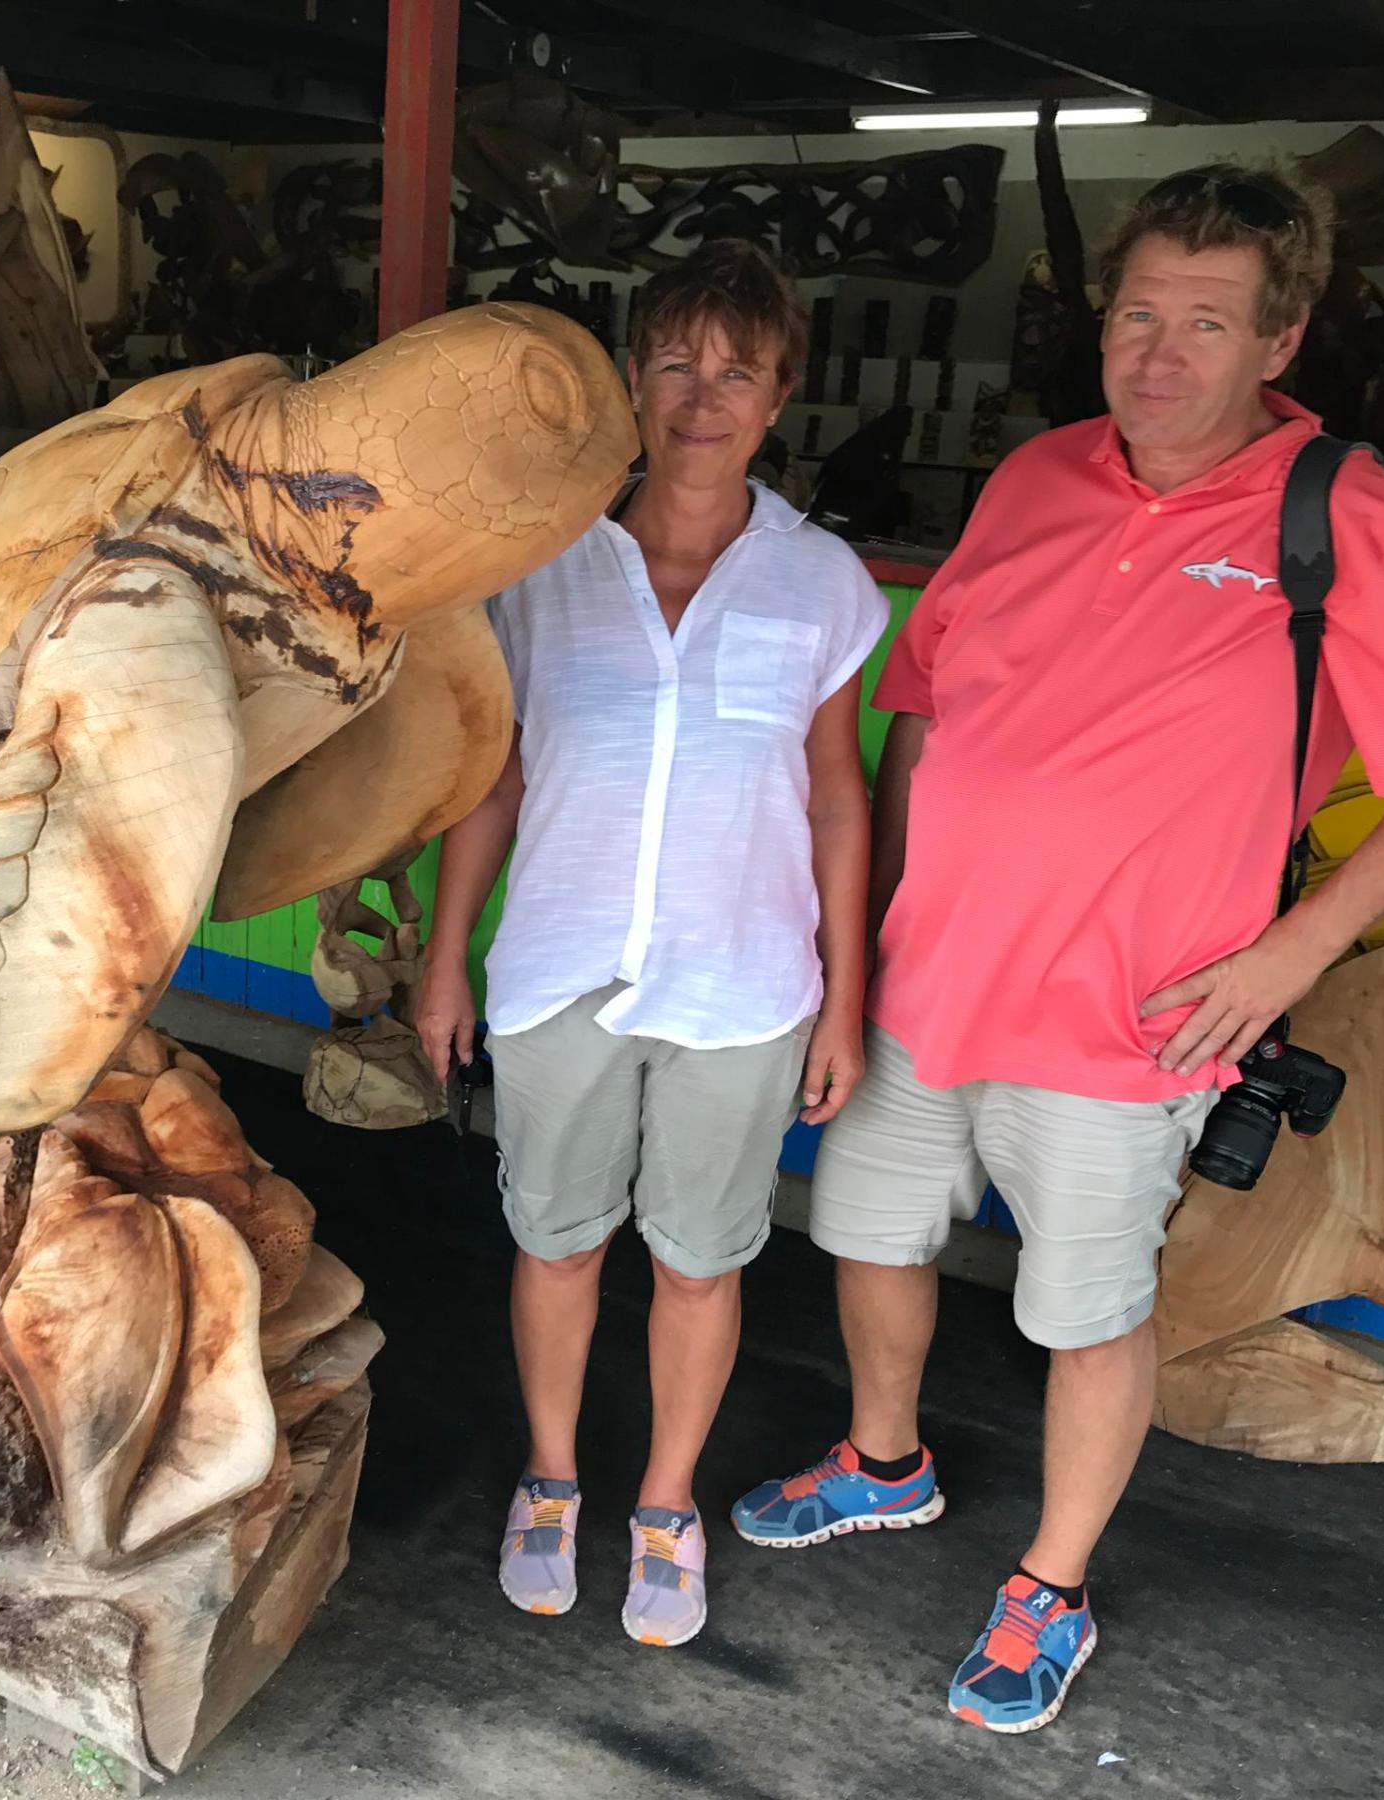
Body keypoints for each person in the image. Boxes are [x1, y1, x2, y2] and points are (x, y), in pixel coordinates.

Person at [732, 165, 1384, 1731]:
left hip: (1131, 1018)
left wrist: (1295, 954)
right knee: (871, 1238)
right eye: (1135, 315)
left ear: (1280, 338)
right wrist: (871, 934)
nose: (1157, 355)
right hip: (927, 983)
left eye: (1206, 323)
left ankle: (1050, 1587)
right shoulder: (1036, 475)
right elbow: (924, 709)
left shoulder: (1341, 516)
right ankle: (883, 1464)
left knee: (1091, 1311)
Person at [417, 240, 891, 1649]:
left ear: (780, 394)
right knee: (558, 1246)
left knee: (699, 1262)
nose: (703, 395)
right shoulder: (546, 561)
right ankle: (553, 1478)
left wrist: (846, 1004)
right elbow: (490, 776)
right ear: (631, 379)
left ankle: (667, 1502)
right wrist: (446, 955)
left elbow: (838, 799)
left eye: (738, 370)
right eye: (676, 362)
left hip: (744, 988)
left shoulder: (820, 584)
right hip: (559, 965)